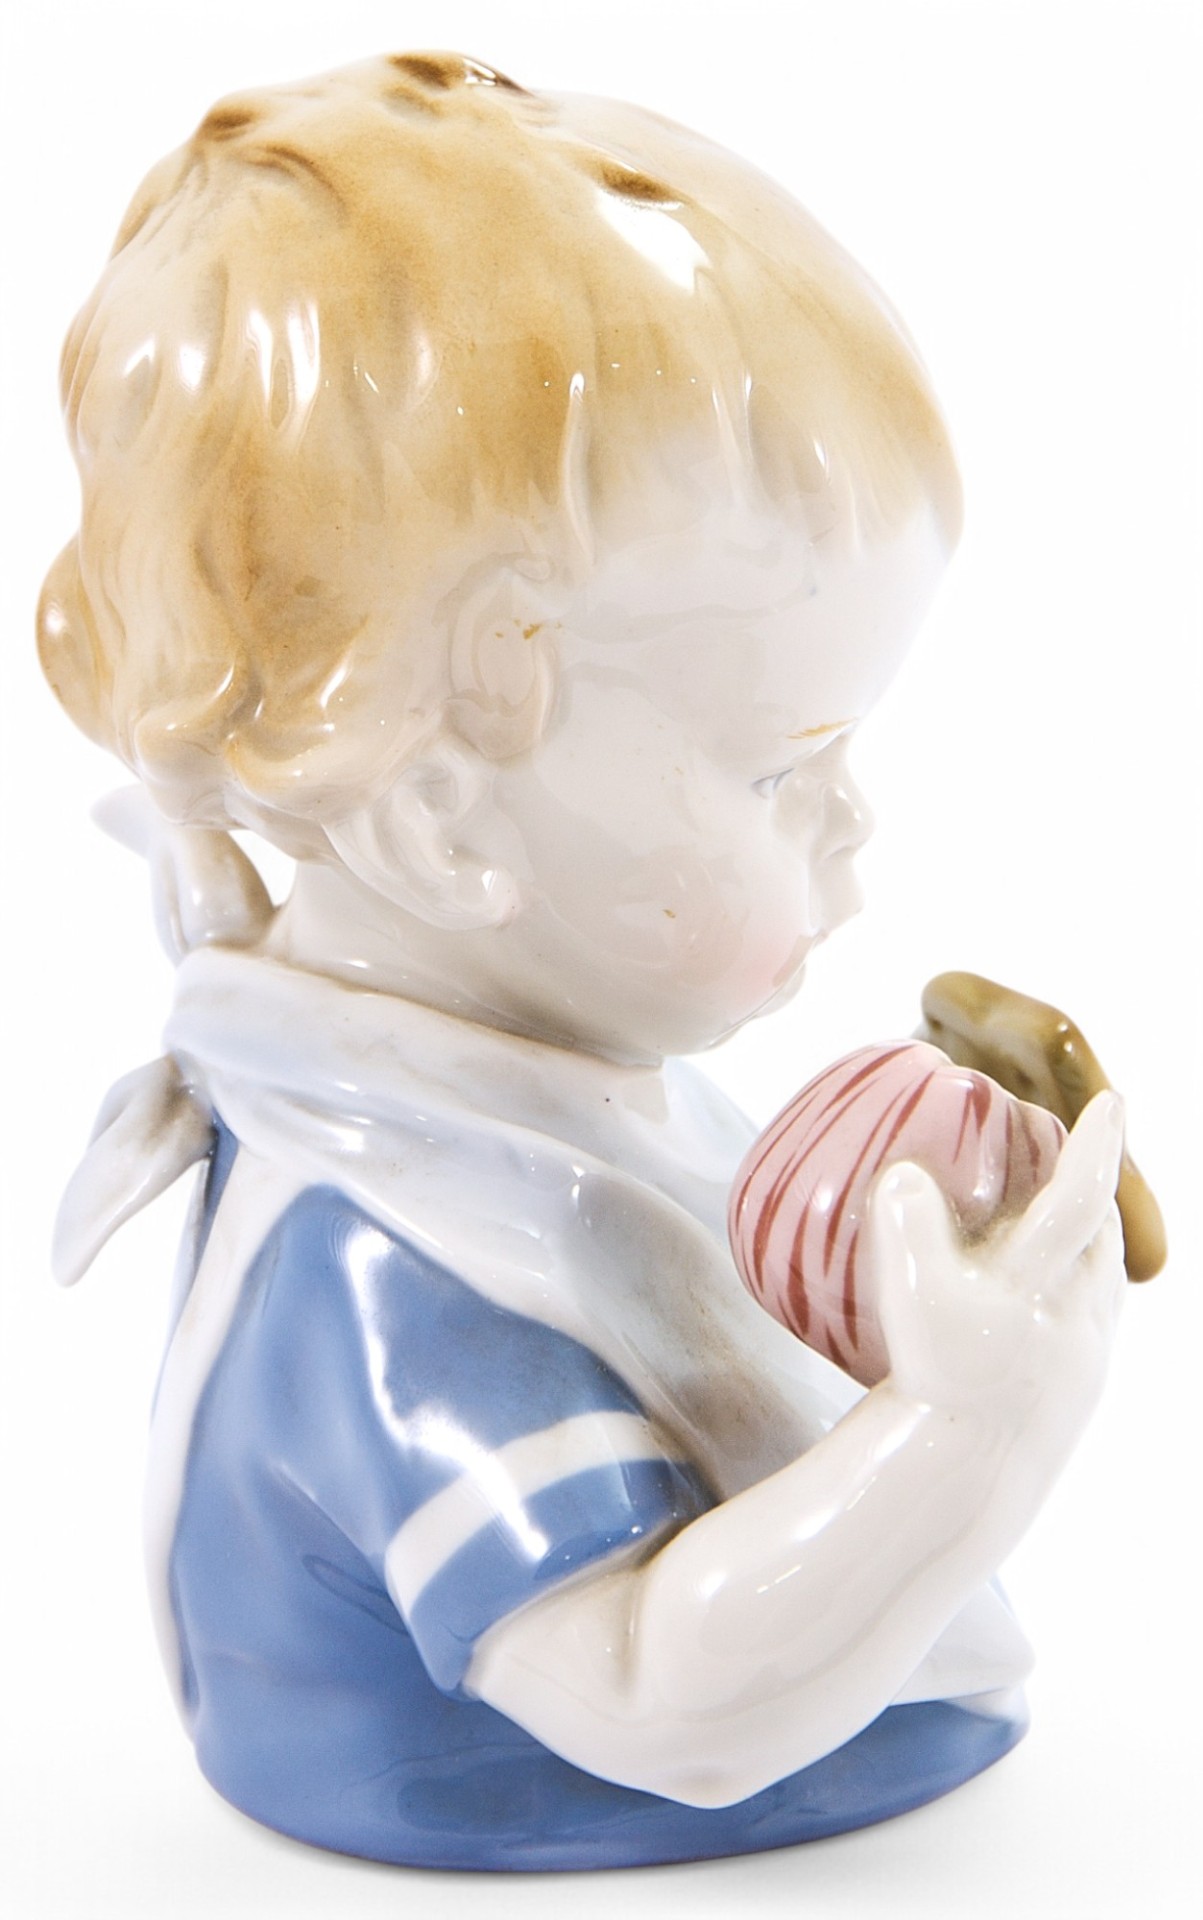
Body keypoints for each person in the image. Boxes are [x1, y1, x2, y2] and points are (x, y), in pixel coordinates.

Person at [39, 53, 1126, 1871]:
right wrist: (970, 1434)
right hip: (507, 1781)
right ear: (443, 822)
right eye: (783, 769)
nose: (855, 825)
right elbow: (659, 1698)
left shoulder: (528, 1086)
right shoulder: (402, 1262)